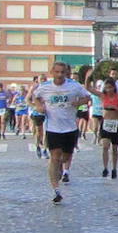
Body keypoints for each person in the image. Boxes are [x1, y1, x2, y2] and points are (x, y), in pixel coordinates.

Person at [33, 61, 93, 203]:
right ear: (52, 72)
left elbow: (87, 97)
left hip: (70, 128)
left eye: (62, 72)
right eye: (57, 72)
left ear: (66, 73)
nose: (60, 75)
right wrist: (39, 106)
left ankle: (61, 168)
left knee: (65, 158)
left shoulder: (74, 86)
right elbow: (35, 97)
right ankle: (56, 190)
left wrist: (79, 103)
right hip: (53, 128)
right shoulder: (45, 87)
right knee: (54, 157)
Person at [99, 77, 118, 179]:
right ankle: (105, 168)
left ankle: (114, 168)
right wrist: (88, 78)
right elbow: (90, 89)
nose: (108, 90)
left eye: (110, 87)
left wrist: (116, 108)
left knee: (114, 148)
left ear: (114, 87)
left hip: (115, 123)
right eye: (106, 88)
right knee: (105, 146)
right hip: (105, 123)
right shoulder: (103, 96)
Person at [29, 78, 47, 158]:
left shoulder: (49, 88)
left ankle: (45, 149)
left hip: (48, 113)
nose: (43, 80)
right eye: (41, 79)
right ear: (38, 80)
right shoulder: (34, 88)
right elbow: (27, 99)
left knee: (46, 132)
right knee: (39, 131)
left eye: (45, 79)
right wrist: (34, 106)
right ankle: (38, 147)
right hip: (37, 113)